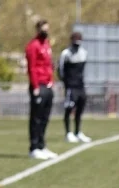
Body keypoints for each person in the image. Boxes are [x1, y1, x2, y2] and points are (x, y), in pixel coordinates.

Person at [26, 19, 56, 160]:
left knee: (45, 118)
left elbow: (49, 65)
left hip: (48, 85)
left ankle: (42, 145)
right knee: (36, 118)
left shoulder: (47, 45)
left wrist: (51, 81)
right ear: (38, 30)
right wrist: (36, 86)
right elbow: (31, 67)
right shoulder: (33, 46)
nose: (46, 32)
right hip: (38, 86)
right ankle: (34, 147)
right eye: (43, 29)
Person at [59, 32, 90, 143]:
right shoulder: (65, 54)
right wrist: (66, 83)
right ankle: (68, 133)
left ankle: (78, 132)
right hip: (70, 87)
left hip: (80, 86)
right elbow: (61, 71)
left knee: (80, 109)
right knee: (69, 109)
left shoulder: (84, 53)